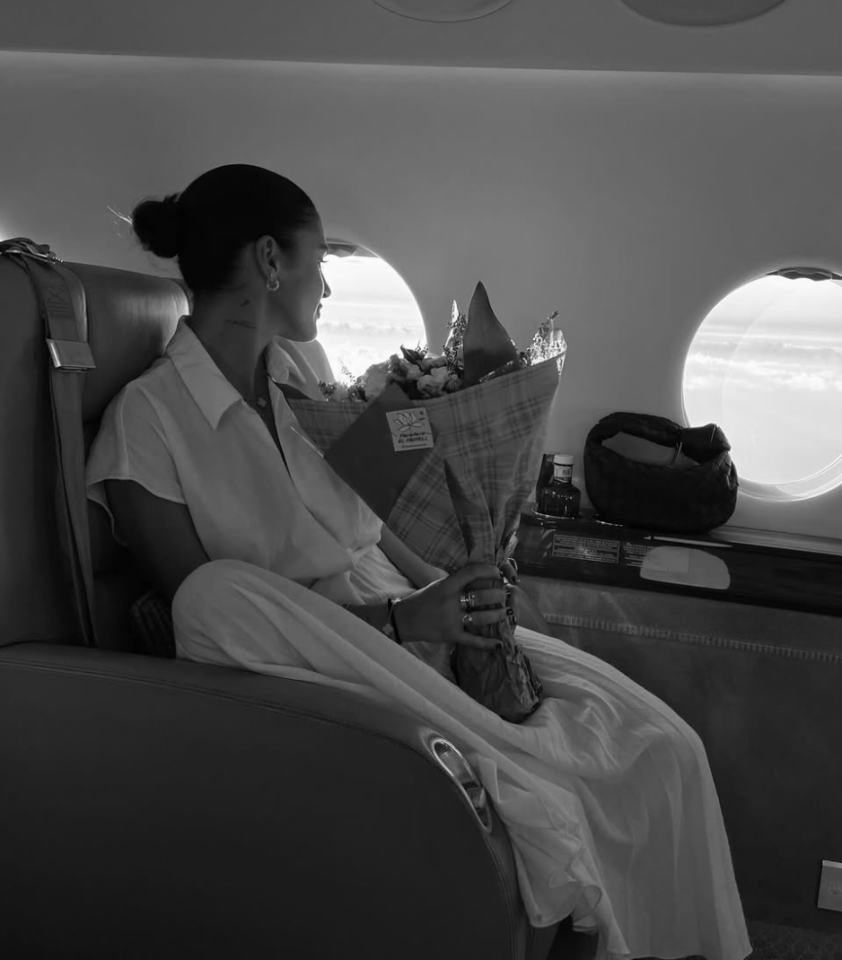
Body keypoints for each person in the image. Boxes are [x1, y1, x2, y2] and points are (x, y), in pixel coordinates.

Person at [86, 164, 751, 960]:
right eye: (317, 260)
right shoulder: (148, 420)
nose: (326, 286)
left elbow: (372, 521)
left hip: (402, 605)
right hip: (311, 651)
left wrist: (455, 583)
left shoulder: (305, 374)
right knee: (214, 596)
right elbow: (209, 623)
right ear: (269, 262)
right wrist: (405, 623)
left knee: (661, 744)